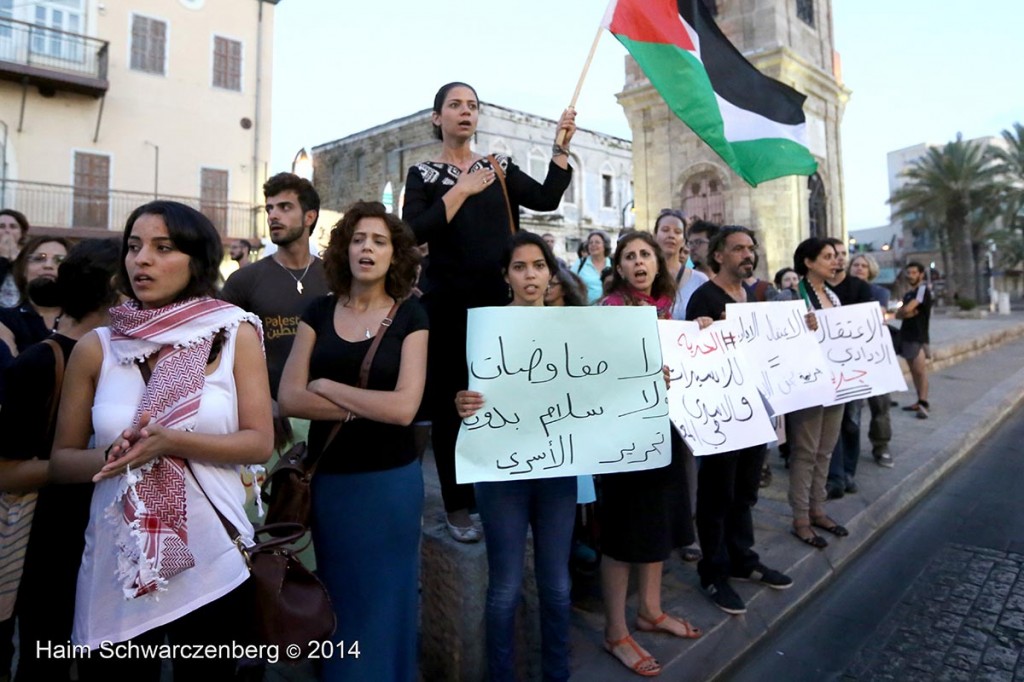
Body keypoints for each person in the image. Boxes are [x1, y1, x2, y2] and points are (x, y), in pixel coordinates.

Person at [48, 200, 273, 680]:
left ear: (197, 260)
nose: (140, 260)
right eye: (133, 247)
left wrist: (171, 442)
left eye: (162, 247)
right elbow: (61, 462)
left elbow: (258, 443)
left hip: (213, 561)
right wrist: (113, 455)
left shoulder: (233, 333)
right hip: (119, 564)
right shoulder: (99, 348)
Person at [402, 81, 575, 541]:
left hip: (502, 304)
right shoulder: (422, 173)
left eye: (472, 106)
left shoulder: (498, 167)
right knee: (451, 404)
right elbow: (413, 230)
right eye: (455, 105)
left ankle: (504, 493)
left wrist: (560, 151)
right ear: (437, 117)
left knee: (504, 396)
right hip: (447, 304)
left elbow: (546, 198)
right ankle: (458, 505)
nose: (465, 112)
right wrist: (460, 191)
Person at [278, 201, 427, 682]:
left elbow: (405, 409)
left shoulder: (412, 316)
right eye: (359, 239)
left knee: (388, 598)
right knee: (339, 596)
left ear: (395, 254)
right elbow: (290, 399)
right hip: (333, 484)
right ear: (344, 249)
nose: (368, 248)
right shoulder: (317, 310)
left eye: (379, 241)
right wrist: (365, 405)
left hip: (391, 486)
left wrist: (332, 389)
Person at [455, 232, 575, 682]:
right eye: (520, 266)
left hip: (559, 469)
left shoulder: (576, 328)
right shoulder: (484, 327)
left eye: (539, 265)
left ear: (550, 272)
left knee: (558, 586)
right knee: (504, 587)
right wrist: (461, 402)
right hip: (501, 472)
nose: (531, 274)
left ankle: (556, 674)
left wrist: (645, 374)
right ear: (506, 275)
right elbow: (463, 393)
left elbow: (601, 386)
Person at [0, 238, 120, 682]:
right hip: (50, 550)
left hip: (110, 548)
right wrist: (99, 461)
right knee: (44, 664)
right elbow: (6, 471)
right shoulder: (38, 363)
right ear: (114, 287)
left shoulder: (125, 360)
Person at [599, 231, 702, 678]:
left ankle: (651, 611)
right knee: (622, 536)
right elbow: (597, 371)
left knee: (658, 521)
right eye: (630, 256)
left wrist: (700, 341)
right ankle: (616, 631)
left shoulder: (667, 310)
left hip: (667, 433)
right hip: (625, 438)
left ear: (658, 264)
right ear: (619, 268)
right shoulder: (608, 311)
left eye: (645, 255)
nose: (639, 262)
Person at [685, 226, 795, 615]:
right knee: (717, 495)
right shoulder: (704, 298)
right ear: (718, 256)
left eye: (751, 249)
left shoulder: (752, 295)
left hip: (755, 410)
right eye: (738, 249)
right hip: (721, 414)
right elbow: (696, 354)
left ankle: (742, 558)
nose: (748, 255)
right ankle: (713, 571)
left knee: (745, 491)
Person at [787, 238, 847, 549]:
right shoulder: (794, 295)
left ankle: (817, 509)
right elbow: (783, 334)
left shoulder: (833, 297)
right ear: (809, 262)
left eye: (836, 256)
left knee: (825, 450)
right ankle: (800, 517)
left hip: (835, 382)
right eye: (827, 257)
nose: (835, 261)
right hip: (809, 384)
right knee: (805, 452)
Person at [823, 238, 875, 499]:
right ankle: (835, 477)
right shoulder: (816, 290)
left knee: (851, 423)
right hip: (826, 369)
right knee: (832, 424)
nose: (839, 259)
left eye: (842, 254)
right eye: (833, 255)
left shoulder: (859, 287)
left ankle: (849, 472)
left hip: (854, 367)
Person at [849, 254, 895, 467]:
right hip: (849, 357)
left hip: (874, 355)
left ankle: (881, 445)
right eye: (855, 265)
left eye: (864, 266)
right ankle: (851, 452)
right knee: (852, 410)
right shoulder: (841, 291)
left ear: (871, 270)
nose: (859, 268)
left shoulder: (879, 292)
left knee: (880, 405)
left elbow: (879, 315)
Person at [0, 235, 69, 355]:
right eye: (39, 258)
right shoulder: (5, 320)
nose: (48, 265)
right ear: (23, 270)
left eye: (60, 260)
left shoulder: (89, 323)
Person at [653, 209, 708, 321]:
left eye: (677, 232)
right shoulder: (643, 276)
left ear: (683, 240)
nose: (671, 235)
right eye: (665, 230)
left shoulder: (699, 280)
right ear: (655, 235)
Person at [896, 261, 932, 419]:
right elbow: (900, 314)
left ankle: (924, 403)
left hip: (918, 336)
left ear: (921, 274)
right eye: (908, 273)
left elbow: (908, 309)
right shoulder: (909, 293)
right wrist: (905, 311)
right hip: (907, 335)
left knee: (920, 371)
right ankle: (919, 400)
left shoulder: (922, 290)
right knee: (913, 371)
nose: (910, 276)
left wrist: (906, 311)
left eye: (914, 273)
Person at [0, 209, 30, 307]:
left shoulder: (29, 256)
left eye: (13, 227)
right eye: (1, 226)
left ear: (21, 233)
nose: (7, 231)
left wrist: (16, 260)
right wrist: (3, 258)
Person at [576, 230, 612, 304]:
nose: (593, 245)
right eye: (590, 243)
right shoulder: (580, 263)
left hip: (610, 309)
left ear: (605, 245)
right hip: (585, 310)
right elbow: (569, 284)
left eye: (597, 242)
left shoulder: (613, 263)